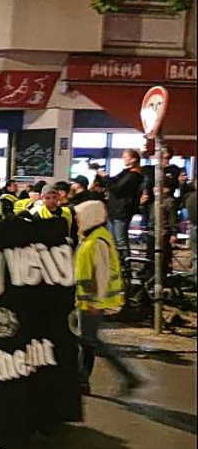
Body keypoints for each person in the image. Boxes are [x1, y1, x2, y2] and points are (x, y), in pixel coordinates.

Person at [74, 201, 142, 396]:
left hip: (92, 302)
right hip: (87, 300)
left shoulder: (97, 241)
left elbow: (101, 274)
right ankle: (82, 380)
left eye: (80, 216)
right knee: (88, 341)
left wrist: (96, 301)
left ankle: (129, 376)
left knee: (90, 341)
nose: (77, 220)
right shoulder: (92, 237)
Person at [106, 148, 145, 276]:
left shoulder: (134, 176)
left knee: (121, 240)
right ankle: (116, 264)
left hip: (122, 210)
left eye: (125, 157)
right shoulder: (126, 173)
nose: (124, 159)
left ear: (133, 159)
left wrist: (105, 179)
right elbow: (113, 182)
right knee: (113, 240)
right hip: (114, 210)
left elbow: (116, 188)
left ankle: (124, 266)